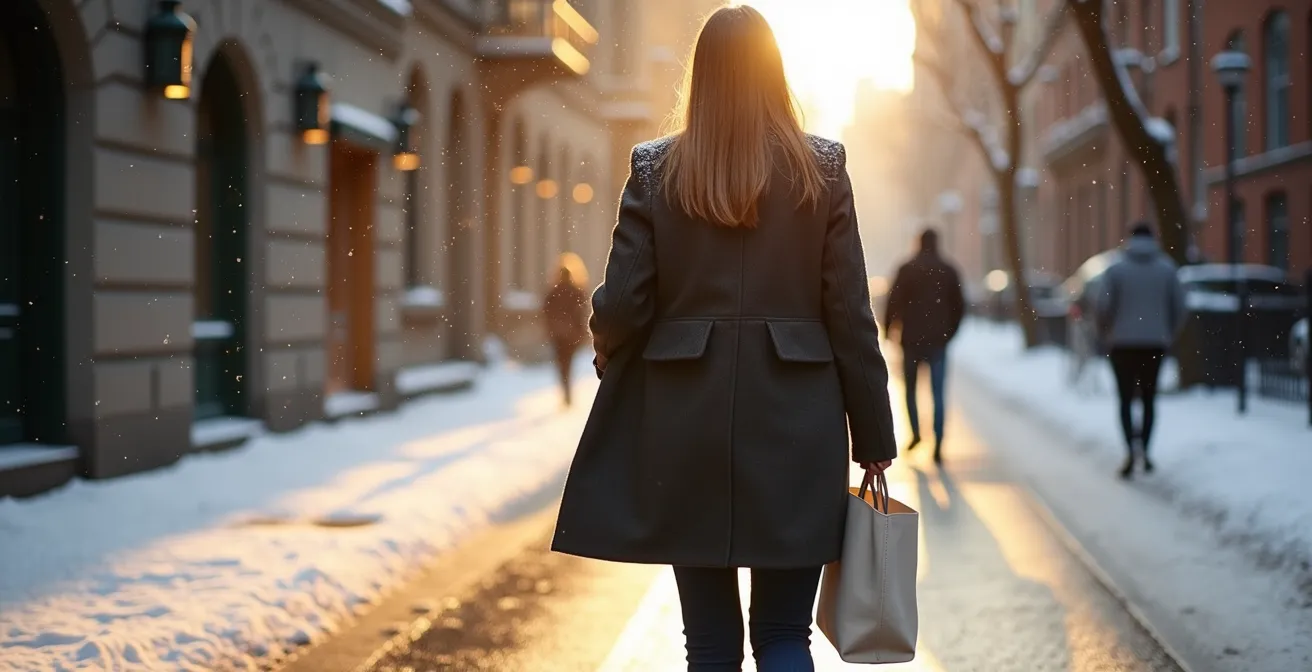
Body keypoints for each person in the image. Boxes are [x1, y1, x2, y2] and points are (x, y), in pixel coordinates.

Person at [550, 7, 898, 671]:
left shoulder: (655, 170)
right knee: (783, 634)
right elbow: (850, 315)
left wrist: (605, 344)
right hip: (798, 424)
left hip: (687, 422)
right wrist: (875, 438)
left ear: (700, 75)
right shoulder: (822, 169)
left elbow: (624, 300)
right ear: (775, 73)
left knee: (709, 641)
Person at [1096, 222, 1186, 479]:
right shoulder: (1167, 269)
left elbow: (1103, 306)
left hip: (1122, 344)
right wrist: (1167, 331)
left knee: (1125, 399)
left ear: (1130, 239)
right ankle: (1145, 450)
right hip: (1154, 344)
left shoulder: (1116, 269)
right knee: (1148, 398)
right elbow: (1180, 307)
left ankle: (1129, 451)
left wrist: (1107, 332)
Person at [883, 228, 966, 464]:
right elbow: (959, 306)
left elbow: (893, 300)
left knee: (909, 390)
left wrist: (890, 330)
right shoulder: (948, 270)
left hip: (911, 340)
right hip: (938, 342)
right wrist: (949, 333)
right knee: (937, 393)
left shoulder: (907, 269)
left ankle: (916, 433)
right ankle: (938, 442)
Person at [542, 254, 590, 407]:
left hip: (559, 335)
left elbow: (547, 312)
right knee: (567, 363)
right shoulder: (577, 291)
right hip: (571, 336)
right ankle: (567, 391)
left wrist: (552, 328)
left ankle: (565, 389)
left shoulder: (554, 292)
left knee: (562, 364)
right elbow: (582, 313)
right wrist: (581, 332)